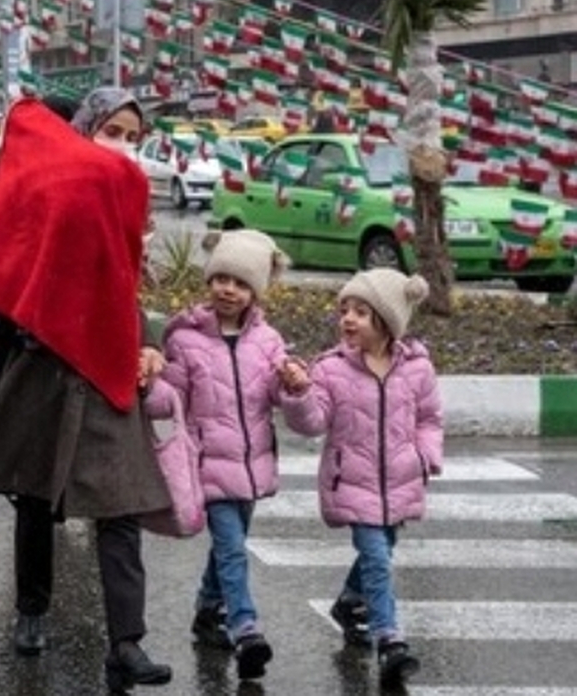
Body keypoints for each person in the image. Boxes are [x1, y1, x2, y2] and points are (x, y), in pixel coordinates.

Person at [0, 90, 173, 693]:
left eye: (133, 135)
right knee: (35, 500)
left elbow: (127, 286)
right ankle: (31, 610)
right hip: (44, 369)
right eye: (113, 131)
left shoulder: (123, 193)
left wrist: (149, 340)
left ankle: (127, 643)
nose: (124, 145)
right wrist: (6, 311)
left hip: (106, 369)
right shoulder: (38, 187)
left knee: (120, 508)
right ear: (85, 128)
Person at [279, 268, 442, 690]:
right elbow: (314, 422)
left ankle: (350, 604)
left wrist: (425, 456)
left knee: (382, 549)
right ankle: (390, 640)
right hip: (353, 480)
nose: (348, 319)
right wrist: (298, 393)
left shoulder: (417, 369)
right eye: (345, 310)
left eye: (362, 312)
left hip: (401, 479)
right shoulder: (331, 369)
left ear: (387, 324)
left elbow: (429, 418)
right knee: (375, 556)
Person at [159, 228, 305, 681]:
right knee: (233, 548)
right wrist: (149, 386)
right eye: (221, 277)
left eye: (241, 283)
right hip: (208, 462)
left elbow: (280, 396)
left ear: (255, 292)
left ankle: (207, 610)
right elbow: (171, 399)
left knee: (229, 547)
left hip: (252, 461)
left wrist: (295, 384)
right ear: (209, 280)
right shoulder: (184, 339)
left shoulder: (268, 341)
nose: (229, 288)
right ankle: (245, 627)